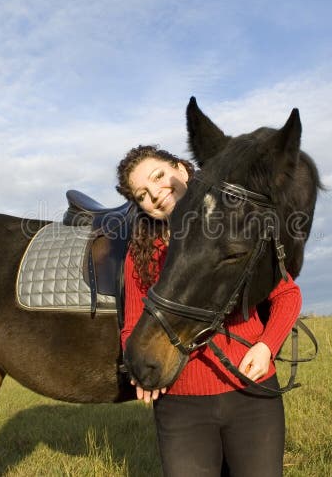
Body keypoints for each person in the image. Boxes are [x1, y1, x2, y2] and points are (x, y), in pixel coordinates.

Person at [115, 144, 303, 477]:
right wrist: (139, 367)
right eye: (142, 195)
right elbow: (132, 327)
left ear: (181, 169)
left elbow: (287, 294)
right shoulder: (141, 256)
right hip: (180, 406)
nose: (156, 194)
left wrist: (266, 346)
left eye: (159, 176)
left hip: (252, 394)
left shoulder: (235, 225)